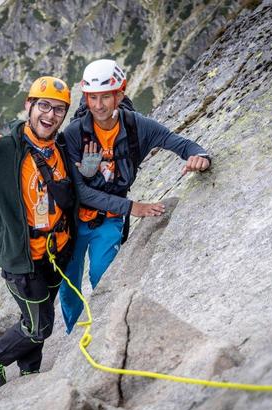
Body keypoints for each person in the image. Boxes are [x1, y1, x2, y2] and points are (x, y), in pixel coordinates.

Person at [59, 59, 212, 333]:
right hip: (72, 220)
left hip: (109, 218)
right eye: (92, 97)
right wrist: (134, 207)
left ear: (120, 93)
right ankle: (73, 338)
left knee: (102, 277)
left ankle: (107, 332)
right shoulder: (73, 134)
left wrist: (199, 156)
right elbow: (79, 191)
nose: (98, 105)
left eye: (106, 96)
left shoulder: (136, 127)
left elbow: (179, 143)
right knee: (68, 285)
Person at [0, 76, 76, 388]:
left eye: (59, 110)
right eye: (44, 106)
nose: (50, 115)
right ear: (28, 106)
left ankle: (30, 370)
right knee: (40, 326)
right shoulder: (5, 149)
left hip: (55, 252)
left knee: (38, 313)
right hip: (23, 258)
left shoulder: (60, 146)